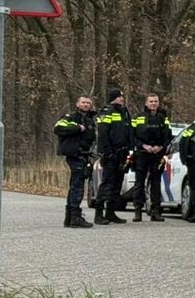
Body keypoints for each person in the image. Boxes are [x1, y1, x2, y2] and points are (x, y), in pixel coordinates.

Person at [54, 95, 96, 229]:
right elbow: (58, 128)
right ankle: (75, 217)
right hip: (74, 154)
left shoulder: (90, 120)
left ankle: (70, 217)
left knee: (76, 184)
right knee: (77, 186)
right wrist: (77, 128)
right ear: (77, 104)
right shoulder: (70, 117)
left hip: (84, 154)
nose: (86, 105)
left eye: (88, 103)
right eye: (83, 102)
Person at [131, 92, 172, 222]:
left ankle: (155, 211)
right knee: (139, 183)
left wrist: (160, 147)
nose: (153, 104)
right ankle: (138, 210)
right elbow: (132, 135)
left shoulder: (163, 117)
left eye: (155, 101)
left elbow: (168, 136)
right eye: (151, 101)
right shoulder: (138, 117)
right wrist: (144, 146)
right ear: (146, 103)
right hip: (142, 154)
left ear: (158, 103)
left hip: (158, 154)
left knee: (156, 182)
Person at [94, 87, 133, 225]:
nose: (122, 99)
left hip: (122, 153)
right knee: (107, 183)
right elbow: (103, 134)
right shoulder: (107, 111)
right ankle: (98, 213)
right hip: (111, 154)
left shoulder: (124, 112)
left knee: (117, 184)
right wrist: (108, 152)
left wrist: (129, 149)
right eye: (119, 97)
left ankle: (110, 212)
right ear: (113, 98)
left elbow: (128, 132)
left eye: (122, 96)